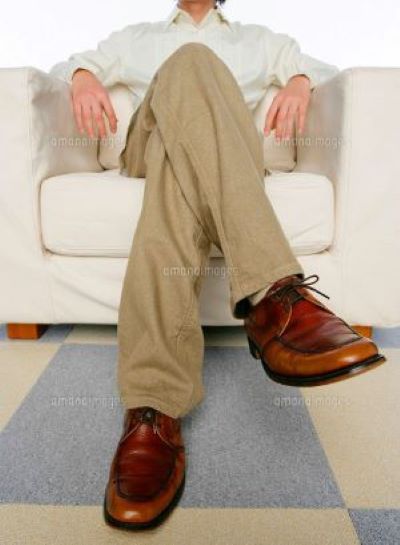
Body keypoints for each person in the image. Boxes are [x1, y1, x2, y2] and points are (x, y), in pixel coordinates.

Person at [49, 0, 386, 530]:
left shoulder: (262, 39)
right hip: (143, 147)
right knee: (190, 60)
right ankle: (273, 295)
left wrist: (301, 81)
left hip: (219, 159)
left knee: (178, 168)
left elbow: (324, 71)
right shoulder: (135, 36)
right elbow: (65, 65)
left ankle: (153, 406)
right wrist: (83, 75)